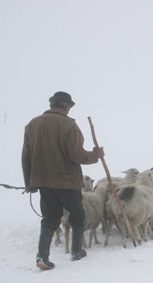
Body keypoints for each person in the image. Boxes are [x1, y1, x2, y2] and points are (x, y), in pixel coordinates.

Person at [22, 91, 105, 270]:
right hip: (66, 182)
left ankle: (42, 257)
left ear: (52, 105)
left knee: (50, 218)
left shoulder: (32, 124)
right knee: (77, 215)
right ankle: (76, 252)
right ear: (67, 107)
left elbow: (26, 157)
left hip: (43, 181)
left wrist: (29, 182)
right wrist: (95, 155)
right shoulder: (69, 125)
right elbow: (77, 155)